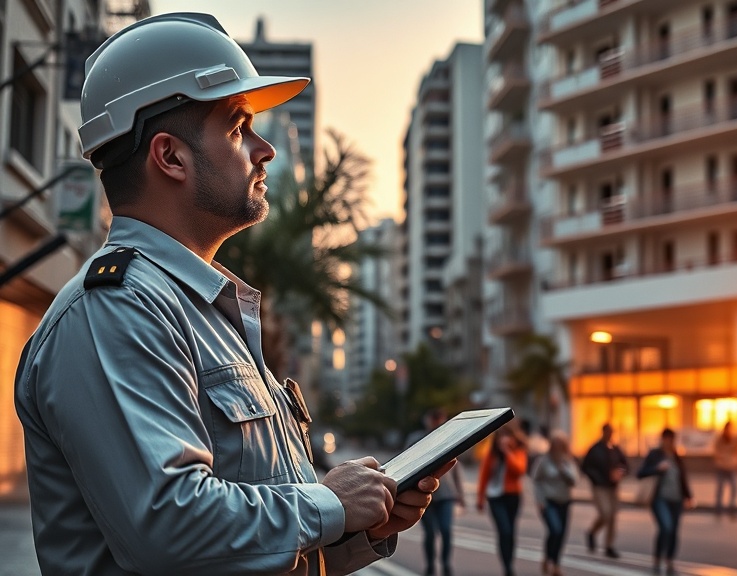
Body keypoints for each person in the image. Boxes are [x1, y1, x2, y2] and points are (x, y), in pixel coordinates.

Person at [12, 13, 451, 575]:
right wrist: (328, 503)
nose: (264, 150)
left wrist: (357, 527)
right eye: (239, 127)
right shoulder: (116, 310)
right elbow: (167, 527)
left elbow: (239, 553)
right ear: (170, 156)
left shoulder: (204, 311)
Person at [406, 409, 466, 576]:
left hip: (446, 494)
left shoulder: (449, 439)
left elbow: (455, 468)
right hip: (424, 495)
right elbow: (405, 462)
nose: (437, 423)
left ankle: (446, 563)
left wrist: (460, 494)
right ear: (427, 420)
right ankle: (431, 565)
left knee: (446, 531)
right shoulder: (416, 439)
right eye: (434, 419)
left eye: (440, 420)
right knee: (431, 533)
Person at [638, 429, 694, 575]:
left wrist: (688, 496)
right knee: (666, 526)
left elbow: (683, 478)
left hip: (676, 499)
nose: (669, 442)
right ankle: (658, 556)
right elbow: (641, 473)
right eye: (666, 439)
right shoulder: (655, 455)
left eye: (671, 440)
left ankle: (669, 558)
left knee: (674, 529)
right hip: (659, 498)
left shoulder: (676, 456)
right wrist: (657, 469)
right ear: (662, 439)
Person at [477, 422, 529, 576]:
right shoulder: (491, 455)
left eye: (507, 436)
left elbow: (519, 470)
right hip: (495, 497)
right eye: (501, 437)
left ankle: (509, 562)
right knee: (504, 530)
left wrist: (507, 453)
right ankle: (506, 566)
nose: (504, 440)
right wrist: (480, 499)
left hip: (513, 496)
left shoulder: (518, 452)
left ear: (514, 438)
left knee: (511, 532)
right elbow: (483, 477)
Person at [531, 430, 578, 576]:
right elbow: (536, 481)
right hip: (548, 501)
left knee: (562, 534)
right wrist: (540, 500)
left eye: (560, 445)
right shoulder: (543, 461)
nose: (558, 448)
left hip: (564, 501)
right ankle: (548, 557)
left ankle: (555, 563)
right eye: (555, 445)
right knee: (555, 529)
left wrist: (563, 470)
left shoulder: (568, 461)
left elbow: (574, 481)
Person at [581, 423, 630, 559]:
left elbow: (625, 465)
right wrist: (597, 478)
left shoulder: (615, 449)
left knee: (612, 516)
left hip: (613, 487)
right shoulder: (595, 449)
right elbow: (585, 467)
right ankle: (592, 532)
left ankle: (609, 545)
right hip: (599, 486)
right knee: (606, 513)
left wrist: (619, 473)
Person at [713, 421, 737, 518]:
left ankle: (732, 508)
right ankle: (718, 509)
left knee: (734, 488)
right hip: (722, 467)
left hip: (732, 467)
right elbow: (717, 451)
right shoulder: (720, 439)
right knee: (720, 489)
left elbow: (736, 449)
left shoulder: (733, 439)